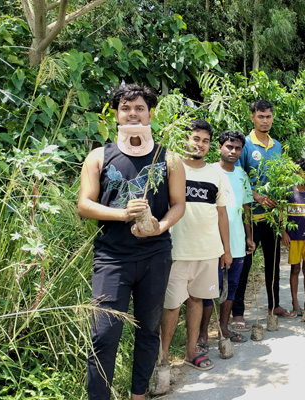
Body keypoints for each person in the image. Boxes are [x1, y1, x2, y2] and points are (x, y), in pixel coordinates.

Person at [78, 84, 186, 400]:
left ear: (150, 113)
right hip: (112, 258)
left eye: (139, 108)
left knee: (148, 330)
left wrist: (159, 226)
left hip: (155, 255)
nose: (133, 114)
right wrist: (123, 213)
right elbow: (85, 204)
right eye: (126, 108)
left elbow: (179, 204)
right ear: (116, 115)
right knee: (104, 334)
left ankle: (138, 394)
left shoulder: (170, 158)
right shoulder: (98, 156)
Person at [159, 119, 233, 372]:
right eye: (196, 139)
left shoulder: (216, 174)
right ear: (185, 140)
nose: (200, 144)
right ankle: (164, 357)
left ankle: (192, 352)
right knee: (171, 305)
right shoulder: (171, 167)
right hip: (176, 249)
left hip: (208, 250)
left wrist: (226, 249)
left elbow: (221, 213)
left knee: (197, 300)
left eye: (205, 141)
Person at [234, 100, 293, 329]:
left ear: (272, 117)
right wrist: (257, 195)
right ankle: (237, 312)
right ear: (252, 117)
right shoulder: (245, 145)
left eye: (268, 116)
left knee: (274, 263)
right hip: (250, 217)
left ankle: (274, 305)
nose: (265, 120)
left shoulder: (277, 146)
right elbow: (239, 178)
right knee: (244, 264)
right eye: (260, 116)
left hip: (273, 217)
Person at [197, 130, 255, 349]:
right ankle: (203, 334)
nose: (233, 151)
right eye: (229, 147)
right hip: (211, 243)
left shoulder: (241, 175)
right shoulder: (208, 171)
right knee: (209, 289)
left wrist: (249, 237)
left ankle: (224, 328)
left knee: (231, 288)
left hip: (238, 242)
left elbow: (246, 208)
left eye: (238, 148)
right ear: (219, 147)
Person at [280, 158, 305, 316]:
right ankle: (295, 302)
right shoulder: (288, 191)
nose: (301, 176)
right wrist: (283, 232)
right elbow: (281, 214)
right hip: (294, 237)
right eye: (297, 172)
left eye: (304, 173)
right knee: (295, 269)